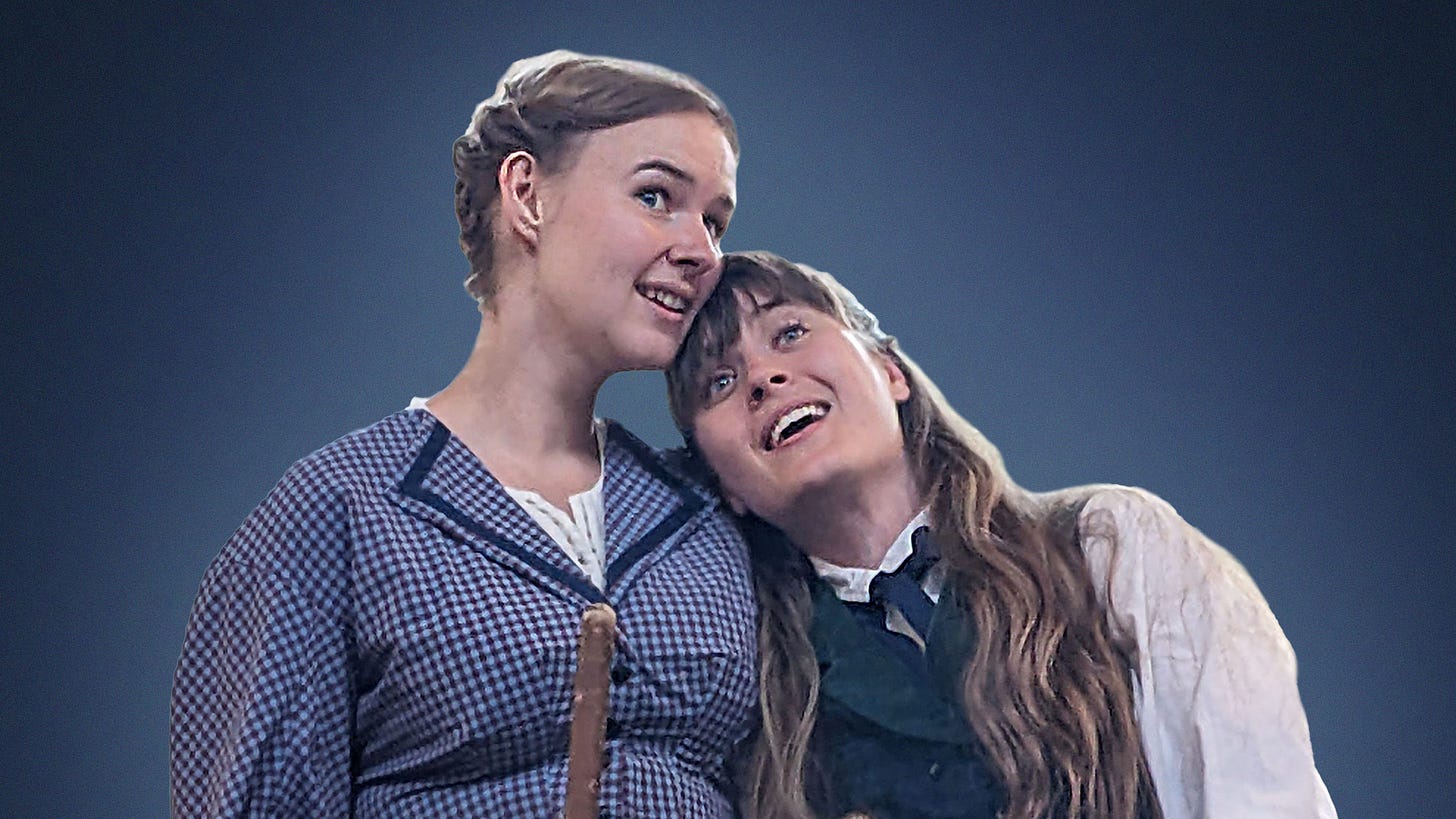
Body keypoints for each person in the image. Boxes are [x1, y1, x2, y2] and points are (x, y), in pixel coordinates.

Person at [171, 51, 757, 817]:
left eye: (715, 221)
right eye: (656, 197)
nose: (701, 251)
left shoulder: (706, 510)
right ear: (526, 195)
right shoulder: (342, 507)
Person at [666, 251, 1336, 819]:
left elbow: (1258, 792)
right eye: (719, 380)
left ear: (890, 371)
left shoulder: (1111, 549)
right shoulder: (760, 705)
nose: (763, 377)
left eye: (787, 334)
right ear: (724, 482)